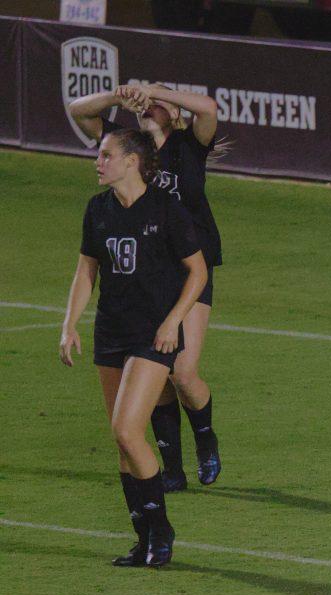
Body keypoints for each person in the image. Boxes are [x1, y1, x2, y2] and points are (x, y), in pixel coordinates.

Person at [58, 128, 208, 567]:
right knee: (125, 443)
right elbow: (86, 271)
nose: (97, 161)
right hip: (112, 333)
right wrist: (69, 326)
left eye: (106, 155)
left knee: (126, 430)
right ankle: (143, 538)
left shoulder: (167, 209)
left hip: (153, 335)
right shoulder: (98, 210)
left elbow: (197, 273)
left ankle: (162, 530)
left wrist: (174, 320)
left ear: (132, 161)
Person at [69, 83, 226, 492]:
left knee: (184, 374)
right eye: (146, 104)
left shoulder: (188, 146)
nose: (148, 106)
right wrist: (120, 97)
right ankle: (170, 467)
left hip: (192, 268)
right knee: (155, 371)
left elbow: (208, 107)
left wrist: (157, 90)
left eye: (158, 105)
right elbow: (78, 110)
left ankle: (205, 438)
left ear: (174, 113)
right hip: (148, 274)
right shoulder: (131, 148)